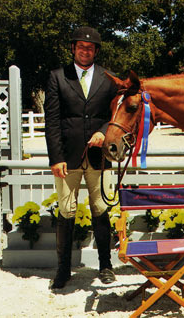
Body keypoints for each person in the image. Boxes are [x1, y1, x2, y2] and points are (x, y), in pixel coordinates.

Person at [44, 26, 118, 289]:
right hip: (67, 158)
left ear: (96, 51)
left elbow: (116, 116)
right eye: (80, 47)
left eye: (90, 48)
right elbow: (52, 121)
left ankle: (106, 265)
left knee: (101, 210)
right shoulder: (57, 77)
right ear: (73, 49)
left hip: (99, 157)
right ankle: (63, 270)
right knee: (66, 211)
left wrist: (102, 132)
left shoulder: (109, 78)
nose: (85, 51)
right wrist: (56, 157)